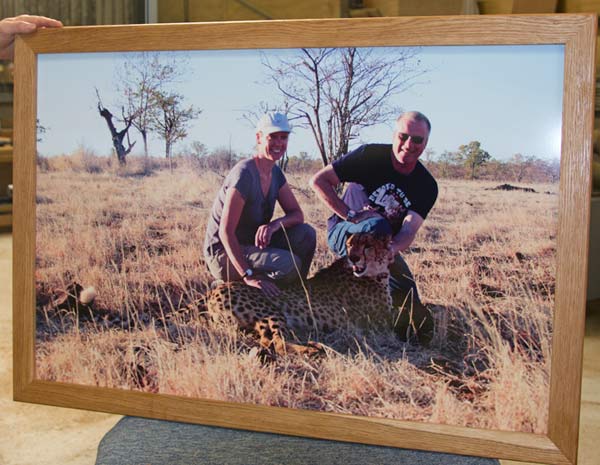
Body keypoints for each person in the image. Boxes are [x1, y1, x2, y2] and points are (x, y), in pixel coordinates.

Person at [310, 111, 438, 341]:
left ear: (426, 143)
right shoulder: (370, 155)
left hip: (382, 244)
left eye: (417, 140)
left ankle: (399, 328)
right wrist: (349, 215)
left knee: (411, 300)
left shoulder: (426, 185)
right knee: (377, 225)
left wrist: (392, 250)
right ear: (394, 135)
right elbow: (318, 180)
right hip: (345, 232)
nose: (409, 144)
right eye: (403, 136)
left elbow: (409, 230)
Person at [204, 112, 316, 298]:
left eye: (283, 137)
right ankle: (241, 284)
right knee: (290, 264)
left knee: (306, 234)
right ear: (259, 137)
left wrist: (273, 226)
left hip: (251, 245)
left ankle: (295, 294)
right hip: (224, 253)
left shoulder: (276, 173)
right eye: (272, 137)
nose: (279, 143)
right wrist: (248, 275)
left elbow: (297, 214)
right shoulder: (244, 174)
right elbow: (226, 232)